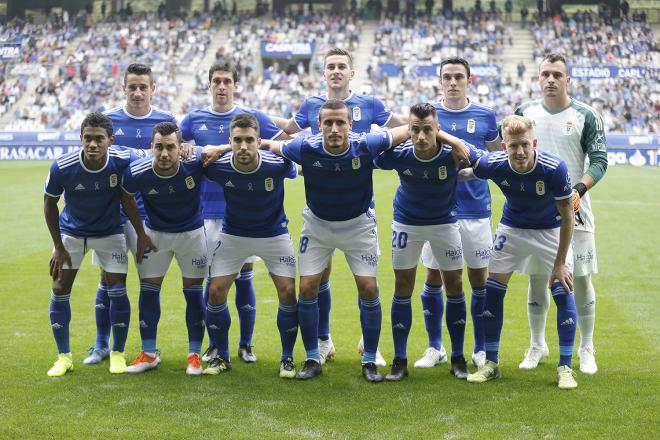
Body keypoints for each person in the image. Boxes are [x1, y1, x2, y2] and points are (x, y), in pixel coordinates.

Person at [261, 99, 469, 382]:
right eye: (328, 123)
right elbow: (276, 146)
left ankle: (370, 358)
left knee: (369, 288)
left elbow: (411, 129)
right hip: (318, 224)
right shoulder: (305, 146)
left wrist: (448, 139)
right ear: (319, 125)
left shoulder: (367, 143)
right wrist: (248, 144)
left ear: (350, 124)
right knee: (308, 286)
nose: (334, 129)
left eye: (340, 123)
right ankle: (312, 356)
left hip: (358, 225)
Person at [273, 47, 407, 366]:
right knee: (319, 277)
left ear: (351, 72)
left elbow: (401, 128)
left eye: (341, 66)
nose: (335, 71)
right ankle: (323, 340)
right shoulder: (311, 105)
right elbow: (286, 134)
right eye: (330, 66)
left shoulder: (369, 103)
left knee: (366, 283)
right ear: (323, 73)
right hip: (320, 202)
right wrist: (253, 137)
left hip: (359, 205)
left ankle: (368, 342)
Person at [180, 60, 288, 364]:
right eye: (217, 81)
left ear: (236, 85)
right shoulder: (194, 119)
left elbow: (280, 146)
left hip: (242, 212)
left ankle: (246, 343)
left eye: (227, 81)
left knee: (244, 277)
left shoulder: (253, 118)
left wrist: (223, 149)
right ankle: (215, 345)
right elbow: (176, 146)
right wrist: (189, 149)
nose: (222, 86)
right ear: (209, 85)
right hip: (205, 212)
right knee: (212, 282)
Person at [466, 114, 578, 389]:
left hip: (550, 230)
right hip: (512, 228)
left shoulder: (554, 168)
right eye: (513, 146)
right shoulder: (494, 163)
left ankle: (565, 367)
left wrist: (560, 263)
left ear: (534, 143)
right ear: (504, 147)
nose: (519, 151)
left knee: (562, 289)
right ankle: (491, 363)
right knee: (492, 290)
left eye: (525, 145)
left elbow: (568, 217)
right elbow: (466, 156)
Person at [373, 103, 482, 381]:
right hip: (406, 223)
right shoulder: (400, 154)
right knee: (403, 286)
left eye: (428, 130)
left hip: (444, 223)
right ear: (409, 130)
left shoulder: (452, 155)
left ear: (438, 130)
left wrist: (452, 140)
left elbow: (478, 157)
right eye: (415, 130)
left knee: (455, 284)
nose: (421, 137)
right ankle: (400, 360)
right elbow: (372, 150)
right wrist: (416, 133)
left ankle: (457, 357)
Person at [514, 53, 607, 375]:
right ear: (538, 79)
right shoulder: (525, 112)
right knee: (537, 279)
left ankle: (586, 347)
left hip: (576, 212)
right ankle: (537, 344)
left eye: (557, 74)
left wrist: (577, 192)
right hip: (534, 214)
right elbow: (511, 155)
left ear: (568, 80)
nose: (550, 80)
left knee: (579, 280)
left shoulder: (585, 115)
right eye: (545, 74)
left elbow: (599, 160)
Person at [44, 112, 153, 376]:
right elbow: (49, 204)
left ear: (110, 141)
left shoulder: (122, 158)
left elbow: (154, 155)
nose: (92, 144)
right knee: (60, 287)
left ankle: (117, 353)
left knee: (118, 288)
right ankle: (64, 357)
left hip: (109, 232)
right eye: (87, 138)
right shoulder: (63, 166)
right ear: (80, 138)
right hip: (72, 232)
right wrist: (58, 246)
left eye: (99, 139)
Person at [84, 63, 178, 366]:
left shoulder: (166, 120)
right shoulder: (108, 120)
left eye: (143, 87)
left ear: (153, 89)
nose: (137, 93)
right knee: (108, 280)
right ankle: (101, 345)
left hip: (150, 217)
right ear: (123, 88)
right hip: (113, 214)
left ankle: (149, 347)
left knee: (150, 282)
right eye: (132, 87)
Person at [416, 57, 500, 371]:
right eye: (447, 77)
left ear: (469, 80)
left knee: (479, 279)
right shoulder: (429, 116)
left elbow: (497, 160)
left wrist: (474, 174)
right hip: (437, 211)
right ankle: (434, 347)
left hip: (476, 211)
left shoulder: (485, 115)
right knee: (433, 277)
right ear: (440, 81)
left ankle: (479, 348)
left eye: (458, 77)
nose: (453, 82)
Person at [201, 114, 299, 378]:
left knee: (288, 292)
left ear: (258, 141)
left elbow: (298, 161)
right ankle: (221, 355)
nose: (243, 147)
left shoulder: (276, 164)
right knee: (216, 291)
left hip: (274, 233)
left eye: (249, 140)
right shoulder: (217, 166)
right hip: (234, 234)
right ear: (229, 142)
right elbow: (192, 162)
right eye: (237, 141)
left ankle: (287, 357)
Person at [121, 122, 208, 376]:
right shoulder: (137, 171)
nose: (164, 153)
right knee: (148, 291)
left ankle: (194, 355)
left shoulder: (194, 163)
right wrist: (139, 233)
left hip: (192, 236)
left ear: (180, 148)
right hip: (154, 235)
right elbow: (125, 197)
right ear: (151, 147)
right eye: (159, 147)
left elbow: (219, 153)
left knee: (193, 294)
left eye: (170, 147)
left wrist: (198, 148)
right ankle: (149, 353)